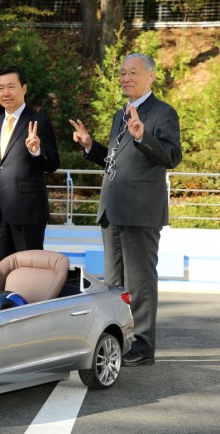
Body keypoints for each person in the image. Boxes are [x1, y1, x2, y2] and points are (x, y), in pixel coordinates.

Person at [69, 52, 182, 367]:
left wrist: (143, 136)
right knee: (114, 283)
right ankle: (120, 340)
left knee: (140, 282)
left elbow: (172, 157)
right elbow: (115, 161)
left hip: (141, 211)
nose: (125, 78)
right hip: (113, 210)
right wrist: (91, 147)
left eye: (132, 72)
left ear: (150, 76)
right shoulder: (122, 114)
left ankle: (143, 345)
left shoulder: (162, 113)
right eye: (122, 73)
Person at [0, 66, 60, 265]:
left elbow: (52, 164)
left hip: (28, 213)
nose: (5, 93)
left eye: (11, 87)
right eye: (0, 88)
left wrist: (36, 151)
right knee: (1, 269)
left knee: (29, 271)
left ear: (24, 88)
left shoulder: (39, 122)